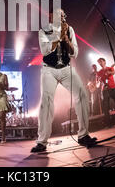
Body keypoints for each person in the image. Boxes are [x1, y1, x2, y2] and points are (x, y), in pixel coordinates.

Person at [31, 9, 96, 153]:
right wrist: (58, 36)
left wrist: (66, 39)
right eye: (57, 15)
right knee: (46, 101)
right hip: (49, 69)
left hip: (66, 68)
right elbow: (45, 50)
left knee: (82, 94)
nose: (61, 17)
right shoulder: (43, 31)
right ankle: (42, 142)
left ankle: (83, 135)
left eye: (63, 15)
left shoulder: (70, 29)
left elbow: (75, 53)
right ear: (51, 17)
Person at [97, 58, 115, 127]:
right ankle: (108, 123)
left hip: (113, 88)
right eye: (99, 62)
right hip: (105, 90)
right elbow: (97, 84)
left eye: (101, 61)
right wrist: (99, 82)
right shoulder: (99, 72)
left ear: (105, 62)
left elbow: (113, 73)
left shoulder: (110, 68)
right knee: (106, 107)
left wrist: (108, 72)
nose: (100, 63)